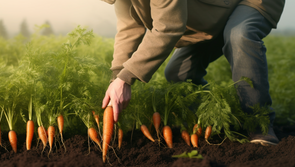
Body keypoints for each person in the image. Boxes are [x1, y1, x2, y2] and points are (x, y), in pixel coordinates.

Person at [101, 0, 285, 145]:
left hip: (250, 2)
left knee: (239, 34)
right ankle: (219, 118)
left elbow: (168, 28)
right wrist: (116, 76)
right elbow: (129, 29)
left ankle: (259, 122)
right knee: (178, 73)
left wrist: (126, 79)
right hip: (213, 15)